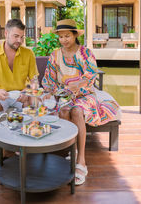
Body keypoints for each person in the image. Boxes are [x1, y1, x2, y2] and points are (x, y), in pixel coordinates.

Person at [42, 19, 120, 186]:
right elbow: (50, 78)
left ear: (75, 35)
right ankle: (71, 150)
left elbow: (91, 74)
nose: (64, 40)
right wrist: (50, 92)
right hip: (65, 95)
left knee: (77, 110)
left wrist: (78, 85)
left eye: (67, 36)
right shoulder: (55, 55)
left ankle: (81, 159)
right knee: (63, 111)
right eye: (61, 37)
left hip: (85, 95)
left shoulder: (85, 53)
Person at [0, 18, 38, 172]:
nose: (19, 40)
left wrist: (29, 91)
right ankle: (4, 147)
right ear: (6, 33)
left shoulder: (28, 53)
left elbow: (34, 80)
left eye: (22, 37)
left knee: (34, 100)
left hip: (20, 94)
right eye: (16, 36)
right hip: (1, 94)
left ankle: (22, 146)